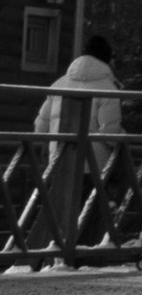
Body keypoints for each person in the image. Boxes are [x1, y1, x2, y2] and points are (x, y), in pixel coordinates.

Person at [35, 33, 121, 267]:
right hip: (94, 167)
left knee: (59, 213)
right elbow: (110, 133)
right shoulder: (108, 86)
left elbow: (40, 125)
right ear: (107, 59)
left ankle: (48, 259)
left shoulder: (60, 83)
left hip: (60, 163)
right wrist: (125, 141)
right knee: (90, 214)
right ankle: (88, 258)